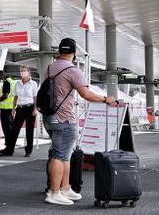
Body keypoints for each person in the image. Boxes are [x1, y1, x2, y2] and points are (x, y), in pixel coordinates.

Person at [43, 38, 115, 206]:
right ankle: (54, 192)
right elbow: (86, 94)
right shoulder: (73, 70)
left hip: (49, 117)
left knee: (65, 155)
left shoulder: (49, 67)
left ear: (59, 51)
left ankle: (65, 188)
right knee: (59, 155)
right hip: (64, 119)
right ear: (74, 53)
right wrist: (105, 99)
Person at [9, 65, 38, 157]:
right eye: (21, 71)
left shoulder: (33, 83)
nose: (23, 72)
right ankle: (10, 149)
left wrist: (36, 108)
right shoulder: (17, 83)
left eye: (24, 71)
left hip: (30, 108)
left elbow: (35, 97)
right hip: (20, 108)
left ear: (29, 72)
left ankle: (28, 151)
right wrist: (13, 109)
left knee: (29, 131)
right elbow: (15, 97)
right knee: (15, 130)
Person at [0, 70, 16, 156]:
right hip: (9, 108)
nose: (0, 79)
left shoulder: (6, 81)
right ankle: (8, 147)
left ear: (1, 75)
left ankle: (9, 149)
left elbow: (5, 95)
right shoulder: (11, 81)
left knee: (7, 130)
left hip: (6, 110)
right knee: (9, 129)